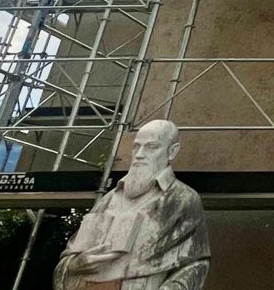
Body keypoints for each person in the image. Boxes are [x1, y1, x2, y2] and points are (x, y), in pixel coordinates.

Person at [54, 119, 209, 290]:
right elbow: (67, 258)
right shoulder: (109, 199)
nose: (139, 154)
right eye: (136, 146)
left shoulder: (183, 199)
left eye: (151, 147)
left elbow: (196, 263)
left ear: (172, 152)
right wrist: (75, 264)